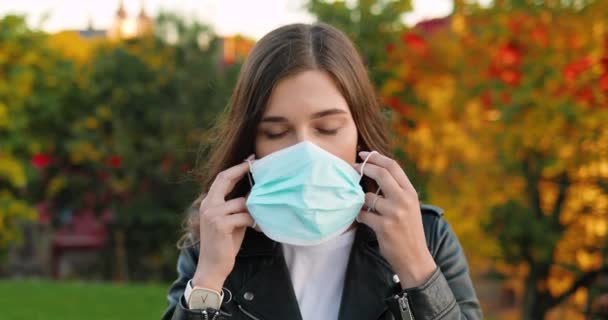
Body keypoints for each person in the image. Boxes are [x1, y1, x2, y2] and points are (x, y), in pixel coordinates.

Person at [162, 22, 482, 320]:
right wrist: (208, 281)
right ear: (251, 145)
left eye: (327, 128)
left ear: (360, 131)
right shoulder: (217, 237)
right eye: (276, 132)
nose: (306, 150)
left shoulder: (428, 236)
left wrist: (416, 268)